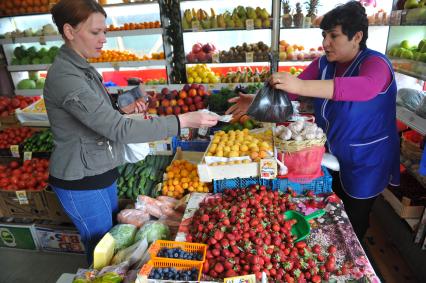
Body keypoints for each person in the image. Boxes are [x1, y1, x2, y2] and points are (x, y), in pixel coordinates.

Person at [45, 0, 218, 264]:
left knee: (114, 241)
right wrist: (181, 121)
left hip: (99, 171)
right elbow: (117, 130)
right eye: (95, 32)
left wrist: (120, 111)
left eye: (105, 32)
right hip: (81, 180)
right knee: (101, 250)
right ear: (69, 31)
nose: (103, 39)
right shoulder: (66, 77)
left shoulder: (83, 68)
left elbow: (100, 119)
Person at [226, 1, 400, 240]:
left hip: (367, 159)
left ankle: (356, 258)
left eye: (333, 35)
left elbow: (365, 88)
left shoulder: (376, 64)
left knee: (354, 217)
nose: (325, 42)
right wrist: (257, 101)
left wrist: (301, 85)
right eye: (324, 35)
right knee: (329, 207)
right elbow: (292, 91)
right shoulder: (324, 64)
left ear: (357, 36)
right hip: (330, 151)